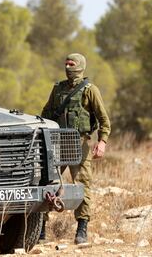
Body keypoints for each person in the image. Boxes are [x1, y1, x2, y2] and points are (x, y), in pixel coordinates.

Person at [40, 53, 111, 244]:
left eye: (72, 64)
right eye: (66, 63)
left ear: (80, 66)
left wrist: (102, 141)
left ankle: (82, 228)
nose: (68, 66)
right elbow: (46, 113)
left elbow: (104, 120)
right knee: (47, 182)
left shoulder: (90, 90)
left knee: (82, 184)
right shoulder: (58, 89)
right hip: (57, 142)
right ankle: (40, 229)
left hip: (79, 143)